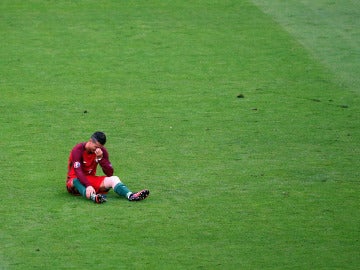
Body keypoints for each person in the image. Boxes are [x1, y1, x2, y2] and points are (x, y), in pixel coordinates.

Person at [66, 131, 149, 203]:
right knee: (76, 181)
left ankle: (131, 195)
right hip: (73, 183)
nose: (97, 150)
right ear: (90, 141)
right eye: (96, 147)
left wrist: (100, 159)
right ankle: (94, 197)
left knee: (114, 178)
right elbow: (78, 171)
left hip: (90, 180)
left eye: (100, 147)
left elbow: (110, 173)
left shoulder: (101, 152)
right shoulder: (78, 150)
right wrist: (88, 185)